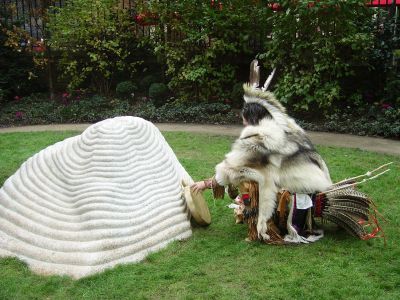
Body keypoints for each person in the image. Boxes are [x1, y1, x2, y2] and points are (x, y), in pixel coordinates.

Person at [191, 60, 332, 241]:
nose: (242, 123)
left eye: (244, 119)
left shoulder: (262, 138)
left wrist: (205, 184)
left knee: (245, 180)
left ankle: (270, 224)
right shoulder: (287, 127)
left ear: (252, 118)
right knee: (256, 175)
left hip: (299, 189)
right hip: (315, 184)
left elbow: (230, 169)